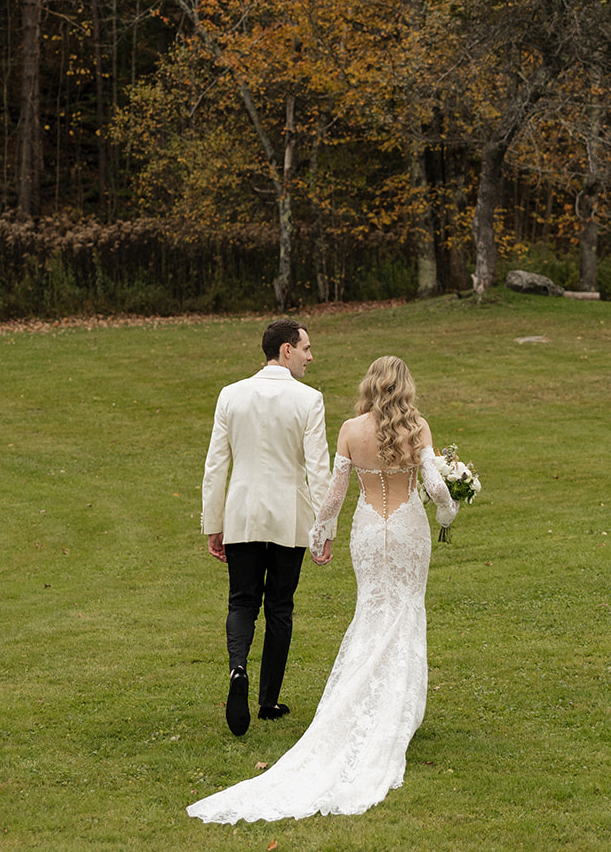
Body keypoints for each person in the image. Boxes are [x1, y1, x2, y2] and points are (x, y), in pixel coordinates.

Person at [188, 354, 459, 823]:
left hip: (371, 530)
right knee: (406, 609)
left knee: (373, 610)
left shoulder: (352, 430)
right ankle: (397, 707)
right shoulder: (418, 429)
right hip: (410, 529)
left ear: (370, 386)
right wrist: (451, 509)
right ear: (406, 388)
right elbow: (434, 487)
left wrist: (320, 537)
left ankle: (362, 698)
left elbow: (334, 495)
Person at [198, 319, 333, 738]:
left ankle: (238, 669)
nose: (312, 356)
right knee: (279, 607)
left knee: (241, 602)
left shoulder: (231, 395)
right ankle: (268, 700)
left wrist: (213, 523)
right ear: (286, 350)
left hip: (241, 515)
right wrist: (323, 528)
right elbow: (319, 470)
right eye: (306, 348)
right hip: (289, 517)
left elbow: (216, 465)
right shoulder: (309, 400)